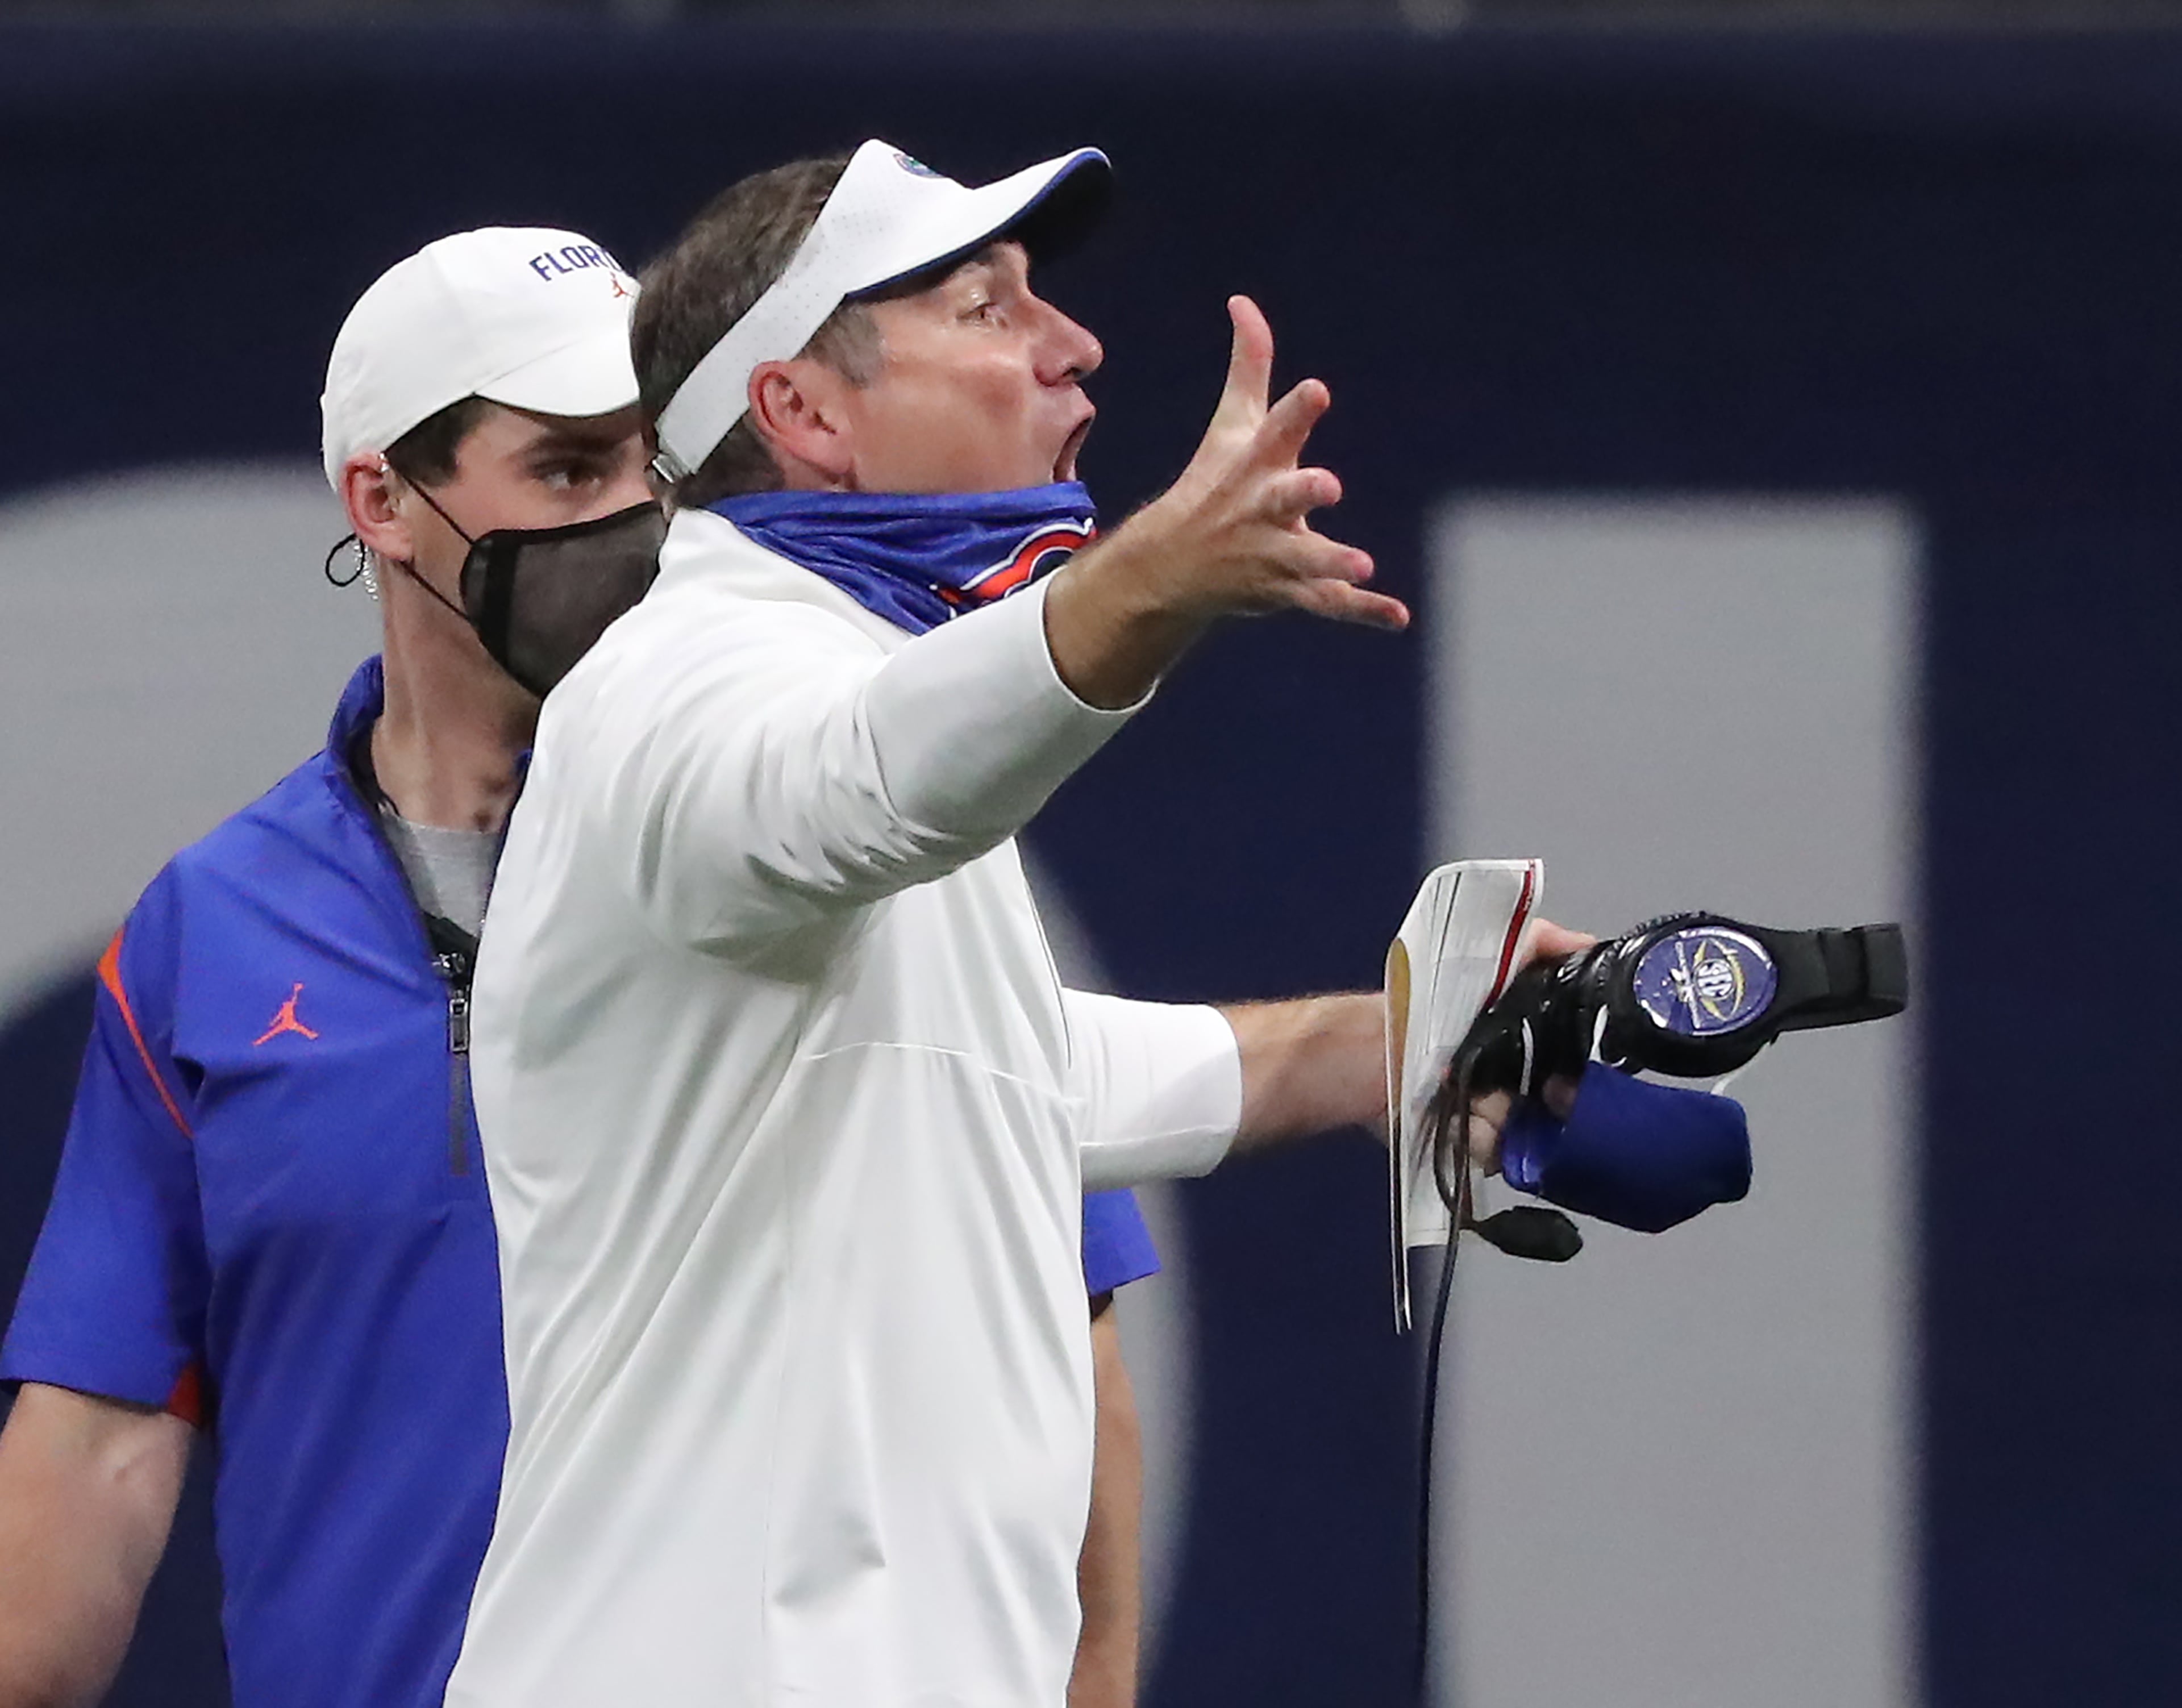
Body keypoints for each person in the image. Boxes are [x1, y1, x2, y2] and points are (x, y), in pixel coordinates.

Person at [0, 220, 1165, 1708]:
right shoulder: (204, 936)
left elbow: (1071, 1366)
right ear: (386, 502)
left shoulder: (848, 832)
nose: (633, 518)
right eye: (568, 470)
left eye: (653, 470)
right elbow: (96, 1455)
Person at [447, 142, 1552, 1707]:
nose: (1075, 345)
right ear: (805, 413)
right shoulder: (671, 682)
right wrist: (1147, 583)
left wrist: (1400, 1043)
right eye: (985, 308)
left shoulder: (824, 681)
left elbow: (1001, 1072)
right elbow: (874, 784)